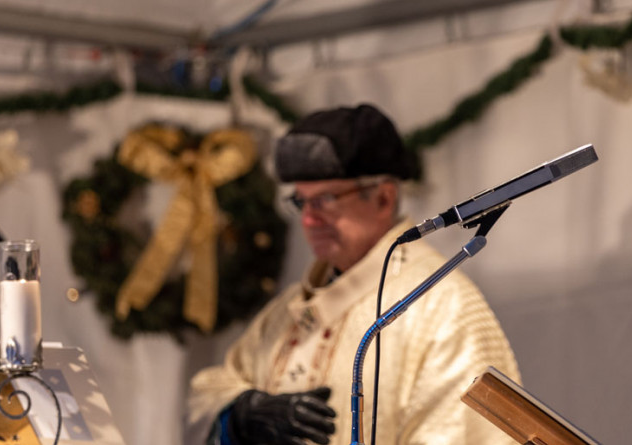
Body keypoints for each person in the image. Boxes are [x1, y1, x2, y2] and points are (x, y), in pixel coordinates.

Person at [187, 104, 520, 445]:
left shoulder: (441, 306)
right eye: (302, 202)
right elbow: (209, 394)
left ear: (383, 198)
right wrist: (241, 414)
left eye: (326, 199)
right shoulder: (286, 313)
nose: (308, 220)